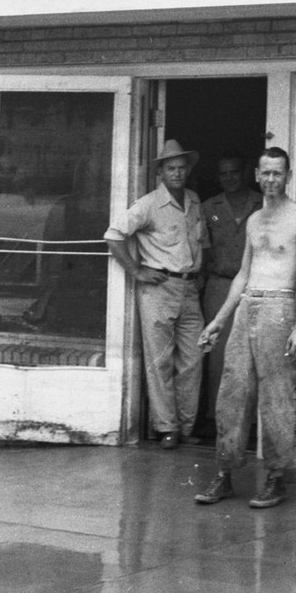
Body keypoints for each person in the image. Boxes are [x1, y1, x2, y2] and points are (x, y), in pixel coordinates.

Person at [194, 147, 296, 509]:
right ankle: (224, 473)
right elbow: (243, 275)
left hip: (280, 307)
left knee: (276, 396)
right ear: (257, 175)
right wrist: (218, 320)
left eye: (277, 173)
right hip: (248, 304)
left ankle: (275, 478)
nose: (271, 180)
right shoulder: (253, 220)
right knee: (232, 392)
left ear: (288, 176)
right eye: (265, 173)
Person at [105, 139, 208, 449]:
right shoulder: (148, 204)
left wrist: (200, 272)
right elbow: (113, 235)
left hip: (189, 289)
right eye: (170, 168)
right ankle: (167, 428)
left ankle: (186, 427)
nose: (177, 173)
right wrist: (136, 271)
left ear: (188, 170)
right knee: (160, 361)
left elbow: (201, 242)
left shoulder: (194, 200)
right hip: (159, 288)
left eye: (181, 168)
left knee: (192, 359)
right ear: (160, 172)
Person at [199, 155, 262, 421]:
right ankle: (219, 421)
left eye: (234, 172)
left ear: (245, 172)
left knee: (253, 354)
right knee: (218, 356)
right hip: (220, 286)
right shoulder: (208, 207)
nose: (229, 178)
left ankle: (251, 423)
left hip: (256, 286)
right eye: (223, 174)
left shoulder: (261, 203)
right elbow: (201, 249)